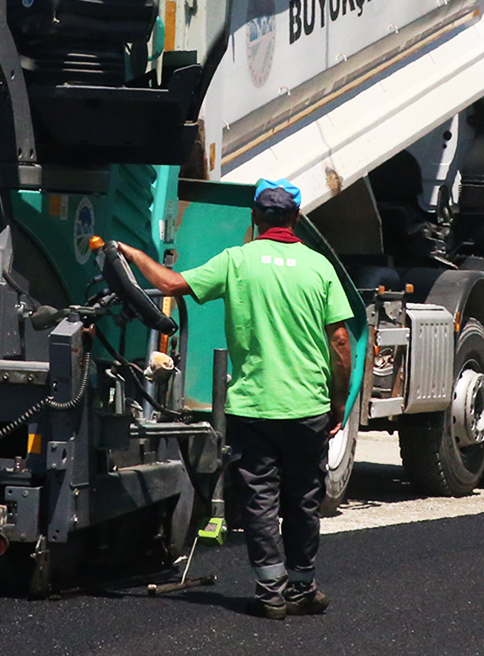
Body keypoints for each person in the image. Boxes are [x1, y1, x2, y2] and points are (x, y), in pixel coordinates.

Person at [116, 178, 354, 619]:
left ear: (255, 217)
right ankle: (302, 587)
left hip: (253, 407)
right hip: (308, 406)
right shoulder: (319, 267)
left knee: (260, 498)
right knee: (303, 498)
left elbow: (169, 284)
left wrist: (133, 254)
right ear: (297, 218)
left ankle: (270, 592)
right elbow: (340, 341)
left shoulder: (236, 261)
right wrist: (338, 401)